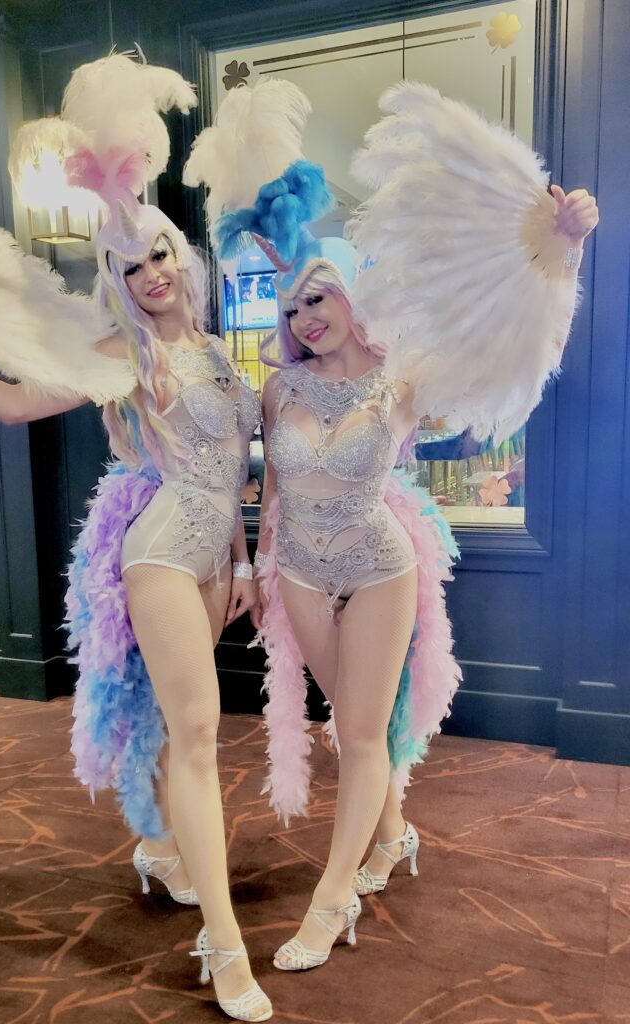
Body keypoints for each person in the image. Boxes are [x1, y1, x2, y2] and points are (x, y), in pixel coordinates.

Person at [0, 54, 272, 1024]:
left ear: (182, 255)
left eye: (162, 255)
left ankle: (165, 847)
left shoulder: (215, 351)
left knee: (181, 728)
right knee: (208, 733)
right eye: (132, 267)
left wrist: (250, 556)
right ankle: (223, 941)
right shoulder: (119, 354)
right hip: (163, 549)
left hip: (219, 554)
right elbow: (8, 403)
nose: (154, 274)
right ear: (118, 282)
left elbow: (246, 467)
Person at [186, 76, 599, 973]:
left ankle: (331, 901)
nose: (303, 315)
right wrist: (254, 564)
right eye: (292, 306)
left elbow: (507, 350)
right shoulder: (278, 386)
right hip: (297, 567)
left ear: (349, 300)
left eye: (317, 298)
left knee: (364, 733)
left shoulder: (402, 379)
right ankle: (394, 835)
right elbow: (268, 487)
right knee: (345, 725)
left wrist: (558, 258)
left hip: (378, 564)